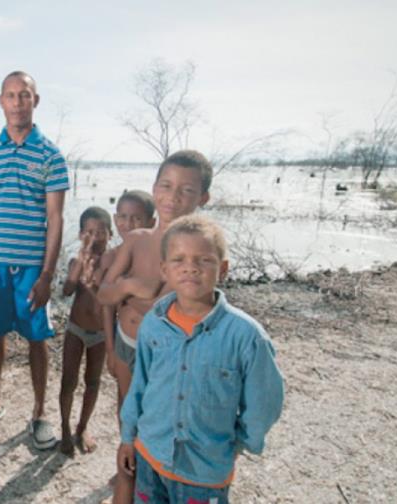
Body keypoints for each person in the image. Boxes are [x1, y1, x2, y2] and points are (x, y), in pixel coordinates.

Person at [116, 215, 285, 503]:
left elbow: (264, 403)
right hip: (150, 455)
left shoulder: (246, 336)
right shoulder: (154, 325)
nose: (190, 268)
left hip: (204, 473)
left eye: (203, 260)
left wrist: (236, 443)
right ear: (164, 269)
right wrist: (128, 437)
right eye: (179, 260)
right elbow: (140, 386)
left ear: (223, 269)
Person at [97, 150, 211, 503]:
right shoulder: (137, 240)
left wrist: (153, 297)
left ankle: (156, 479)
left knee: (161, 419)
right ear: (154, 187)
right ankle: (126, 474)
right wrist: (130, 289)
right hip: (129, 344)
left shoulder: (201, 251)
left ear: (203, 198)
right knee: (127, 416)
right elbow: (104, 294)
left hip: (169, 355)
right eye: (166, 185)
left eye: (186, 190)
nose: (173, 197)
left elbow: (197, 307)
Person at [0, 70, 69, 449]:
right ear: (1, 102)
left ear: (35, 101)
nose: (17, 102)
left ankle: (40, 414)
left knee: (36, 337)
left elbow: (56, 219)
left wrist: (47, 274)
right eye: (10, 95)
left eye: (24, 95)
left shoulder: (51, 155)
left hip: (31, 267)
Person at [58, 207, 113, 456]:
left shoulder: (115, 263)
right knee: (68, 381)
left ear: (110, 235)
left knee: (93, 381)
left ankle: (82, 428)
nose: (95, 237)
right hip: (76, 329)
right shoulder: (75, 261)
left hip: (100, 334)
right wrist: (78, 269)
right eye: (90, 232)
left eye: (101, 232)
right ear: (81, 235)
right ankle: (65, 428)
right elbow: (67, 291)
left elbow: (113, 299)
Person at [101, 190, 155, 399]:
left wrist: (124, 291)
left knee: (153, 403)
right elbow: (107, 308)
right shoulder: (111, 258)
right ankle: (126, 434)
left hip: (155, 343)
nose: (128, 223)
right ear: (115, 219)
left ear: (151, 222)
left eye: (136, 218)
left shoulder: (158, 258)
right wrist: (110, 348)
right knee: (126, 401)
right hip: (124, 339)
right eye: (122, 217)